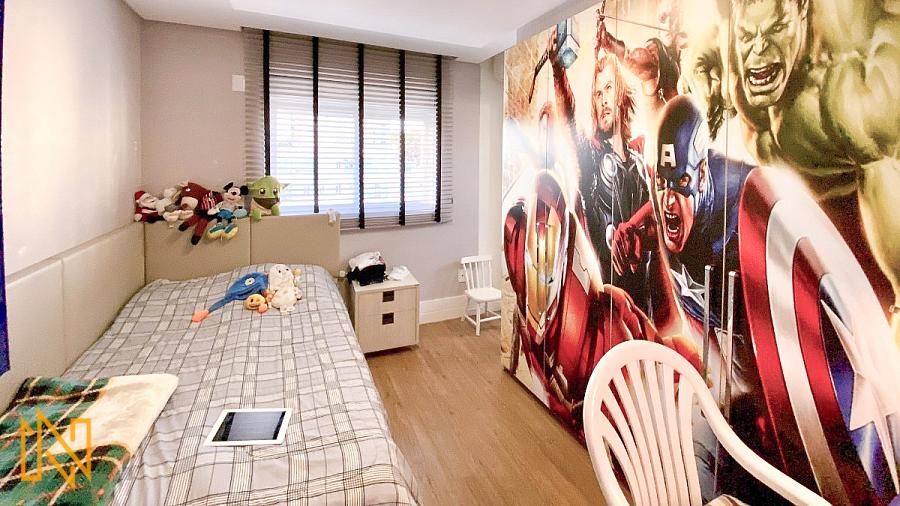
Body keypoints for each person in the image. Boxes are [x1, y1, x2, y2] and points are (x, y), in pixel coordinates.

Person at [723, 0, 900, 344]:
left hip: (864, 211)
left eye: (776, 29)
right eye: (747, 36)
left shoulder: (858, 81)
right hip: (816, 237)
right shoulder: (738, 68)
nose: (758, 50)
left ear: (802, 10)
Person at [612, 96, 753, 327]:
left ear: (702, 175)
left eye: (681, 181)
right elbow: (659, 207)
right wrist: (632, 228)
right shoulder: (671, 202)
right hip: (701, 328)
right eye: (661, 181)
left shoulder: (740, 193)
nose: (668, 200)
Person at [548, 27, 650, 301]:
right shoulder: (592, 157)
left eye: (608, 89)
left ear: (622, 94)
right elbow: (569, 120)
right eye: (597, 94)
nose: (603, 100)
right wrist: (558, 73)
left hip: (644, 305)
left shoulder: (640, 163)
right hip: (609, 304)